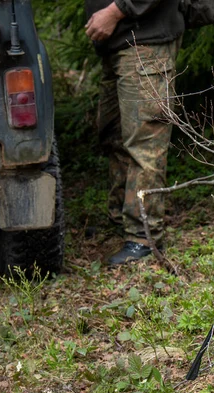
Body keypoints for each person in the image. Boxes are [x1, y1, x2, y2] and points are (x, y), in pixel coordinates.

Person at [84, 0, 184, 265]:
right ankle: (122, 222)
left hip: (144, 43)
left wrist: (115, 12)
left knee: (145, 142)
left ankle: (143, 238)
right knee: (115, 137)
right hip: (119, 44)